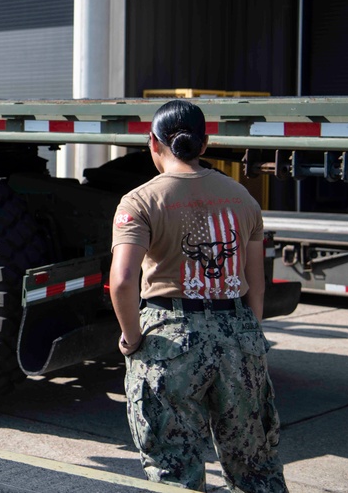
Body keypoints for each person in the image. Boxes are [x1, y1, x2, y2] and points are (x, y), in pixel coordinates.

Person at [110, 99, 286, 492]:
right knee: (255, 467)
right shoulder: (243, 199)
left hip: (171, 341)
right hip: (239, 334)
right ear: (205, 145)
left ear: (152, 143)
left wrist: (132, 338)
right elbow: (255, 283)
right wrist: (247, 332)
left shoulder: (139, 201)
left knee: (176, 469)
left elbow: (122, 282)